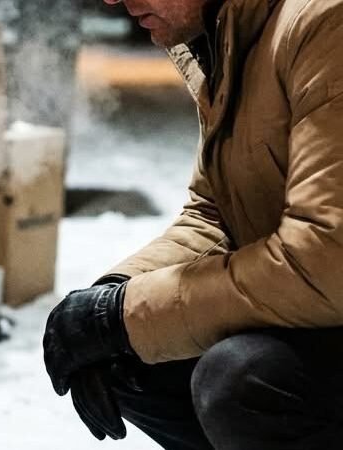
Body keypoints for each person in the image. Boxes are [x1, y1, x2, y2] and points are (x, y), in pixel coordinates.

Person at [43, 0, 343, 448]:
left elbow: (325, 260)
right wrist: (109, 298)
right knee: (126, 361)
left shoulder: (324, 23)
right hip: (315, 305)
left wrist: (119, 318)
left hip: (326, 292)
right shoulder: (225, 34)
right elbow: (217, 213)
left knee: (243, 380)